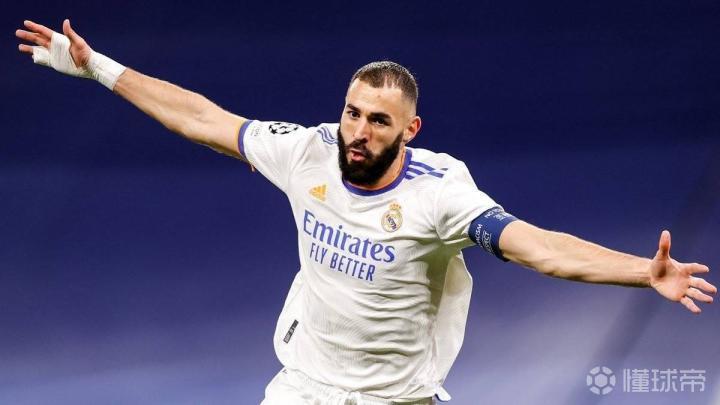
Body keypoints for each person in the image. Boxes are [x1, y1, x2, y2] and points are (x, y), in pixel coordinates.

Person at [16, 19, 716, 405]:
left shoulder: (441, 195)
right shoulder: (308, 151)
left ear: (410, 130)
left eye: (378, 121)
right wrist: (98, 67)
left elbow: (538, 247)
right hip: (304, 389)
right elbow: (202, 118)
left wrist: (641, 271)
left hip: (399, 399)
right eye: (352, 112)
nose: (358, 131)